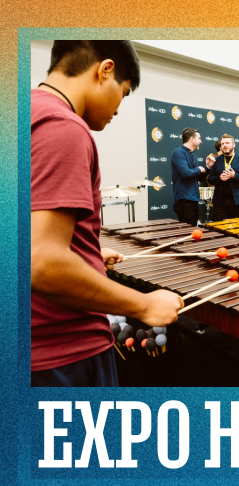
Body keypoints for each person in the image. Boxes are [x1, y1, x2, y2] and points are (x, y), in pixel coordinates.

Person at [31, 40, 184, 387]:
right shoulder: (63, 127)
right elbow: (42, 263)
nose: (118, 108)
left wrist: (85, 253)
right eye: (124, 92)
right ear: (106, 70)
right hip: (63, 352)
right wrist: (143, 305)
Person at [206, 134, 239, 221]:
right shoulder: (216, 160)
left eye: (227, 143)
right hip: (219, 202)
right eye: (223, 144)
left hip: (237, 202)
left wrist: (235, 176)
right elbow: (210, 179)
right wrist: (219, 178)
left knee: (236, 230)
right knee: (219, 230)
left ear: (233, 144)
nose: (224, 145)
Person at [171, 127, 208, 226]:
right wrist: (199, 169)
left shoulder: (193, 156)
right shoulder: (178, 153)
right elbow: (186, 173)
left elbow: (199, 178)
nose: (200, 141)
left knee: (192, 232)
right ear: (192, 139)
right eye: (199, 138)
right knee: (186, 234)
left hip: (193, 200)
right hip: (184, 200)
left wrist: (207, 167)